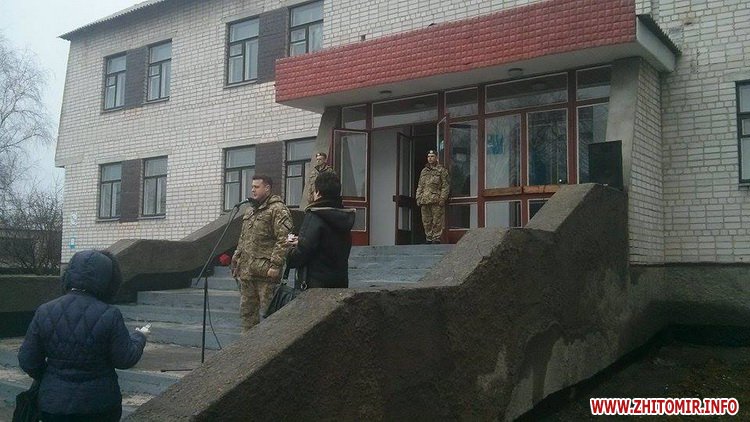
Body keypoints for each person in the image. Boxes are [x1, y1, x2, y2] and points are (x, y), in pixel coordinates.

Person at [17, 250, 148, 422]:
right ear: (108, 280)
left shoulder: (45, 311)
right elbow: (125, 359)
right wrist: (140, 336)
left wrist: (51, 376)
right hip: (100, 405)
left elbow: (27, 360)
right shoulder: (110, 314)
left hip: (54, 404)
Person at [232, 175, 293, 331]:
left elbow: (283, 239)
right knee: (247, 315)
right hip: (247, 272)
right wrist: (236, 259)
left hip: (266, 273)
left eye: (256, 187)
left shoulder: (278, 209)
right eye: (252, 187)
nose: (253, 190)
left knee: (270, 316)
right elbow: (243, 238)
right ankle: (248, 344)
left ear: (267, 188)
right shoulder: (250, 210)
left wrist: (276, 265)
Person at [286, 171, 355, 288]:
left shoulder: (315, 216)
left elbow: (301, 253)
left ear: (318, 192)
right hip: (340, 284)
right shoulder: (344, 216)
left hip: (314, 286)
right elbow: (328, 244)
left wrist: (288, 250)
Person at [416, 149, 450, 244]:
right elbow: (420, 186)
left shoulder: (441, 170)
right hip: (424, 200)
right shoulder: (424, 171)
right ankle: (429, 238)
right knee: (426, 221)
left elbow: (445, 186)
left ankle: (436, 238)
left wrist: (443, 198)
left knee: (437, 221)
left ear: (436, 158)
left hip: (436, 200)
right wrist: (418, 197)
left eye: (432, 156)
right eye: (428, 157)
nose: (430, 158)